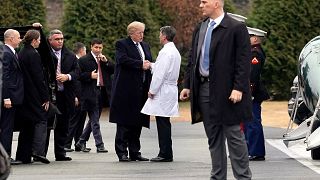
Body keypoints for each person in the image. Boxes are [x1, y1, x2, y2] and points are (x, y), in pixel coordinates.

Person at [179, 0, 252, 179]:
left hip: (228, 92)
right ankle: (218, 176)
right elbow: (192, 58)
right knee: (214, 137)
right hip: (203, 89)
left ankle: (243, 177)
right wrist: (187, 84)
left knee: (234, 136)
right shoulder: (201, 27)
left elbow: (243, 61)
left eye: (204, 2)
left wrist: (238, 88)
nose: (200, 5)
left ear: (217, 3)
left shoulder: (236, 28)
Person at [110, 21, 152, 162]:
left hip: (141, 90)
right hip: (126, 90)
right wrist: (140, 65)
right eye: (139, 32)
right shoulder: (122, 44)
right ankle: (122, 152)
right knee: (124, 123)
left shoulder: (145, 45)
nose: (142, 35)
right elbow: (122, 60)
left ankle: (135, 151)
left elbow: (148, 62)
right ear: (132, 33)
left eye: (142, 32)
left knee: (137, 122)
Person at [141, 26, 181, 162]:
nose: (159, 37)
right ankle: (166, 151)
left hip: (163, 89)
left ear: (164, 36)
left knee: (162, 121)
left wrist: (152, 90)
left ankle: (165, 153)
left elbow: (160, 74)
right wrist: (151, 64)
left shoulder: (165, 52)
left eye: (160, 34)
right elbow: (161, 67)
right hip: (170, 88)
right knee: (164, 121)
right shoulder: (173, 51)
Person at [15, 29, 50, 164]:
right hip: (34, 94)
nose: (40, 42)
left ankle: (23, 156)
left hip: (24, 93)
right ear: (34, 41)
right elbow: (39, 77)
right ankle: (38, 152)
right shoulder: (33, 54)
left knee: (27, 125)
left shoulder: (22, 53)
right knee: (41, 119)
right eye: (39, 40)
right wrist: (45, 97)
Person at [75, 38, 114, 153]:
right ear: (91, 47)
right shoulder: (83, 60)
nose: (98, 50)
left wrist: (106, 62)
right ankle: (99, 145)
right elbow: (78, 76)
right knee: (95, 121)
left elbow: (114, 70)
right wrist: (89, 76)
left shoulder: (103, 59)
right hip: (89, 93)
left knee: (93, 119)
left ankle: (81, 141)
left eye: (100, 47)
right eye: (96, 47)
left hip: (102, 92)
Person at [46, 29, 78, 161]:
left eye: (61, 39)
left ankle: (60, 153)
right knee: (46, 125)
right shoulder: (44, 54)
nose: (60, 41)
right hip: (48, 95)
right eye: (57, 39)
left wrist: (68, 76)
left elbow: (77, 72)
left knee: (63, 125)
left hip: (64, 95)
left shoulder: (70, 55)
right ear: (50, 40)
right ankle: (40, 153)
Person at [244, 27, 270, 161]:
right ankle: (251, 150)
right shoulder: (252, 51)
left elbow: (252, 75)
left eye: (249, 36)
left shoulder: (255, 53)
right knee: (249, 122)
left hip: (253, 92)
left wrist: (250, 92)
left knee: (253, 122)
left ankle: (257, 152)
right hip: (250, 91)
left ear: (255, 38)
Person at [0, 29, 23, 165]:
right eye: (18, 37)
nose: (20, 40)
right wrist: (6, 98)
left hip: (13, 96)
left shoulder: (11, 52)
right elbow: (5, 77)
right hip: (9, 98)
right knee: (6, 128)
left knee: (7, 128)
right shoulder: (7, 53)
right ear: (11, 39)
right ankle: (5, 157)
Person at [64, 42, 88, 152]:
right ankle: (67, 144)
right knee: (73, 121)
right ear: (82, 51)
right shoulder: (74, 62)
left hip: (83, 95)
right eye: (85, 51)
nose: (86, 53)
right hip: (76, 96)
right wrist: (74, 96)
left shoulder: (81, 62)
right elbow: (74, 81)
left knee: (81, 121)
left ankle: (78, 143)